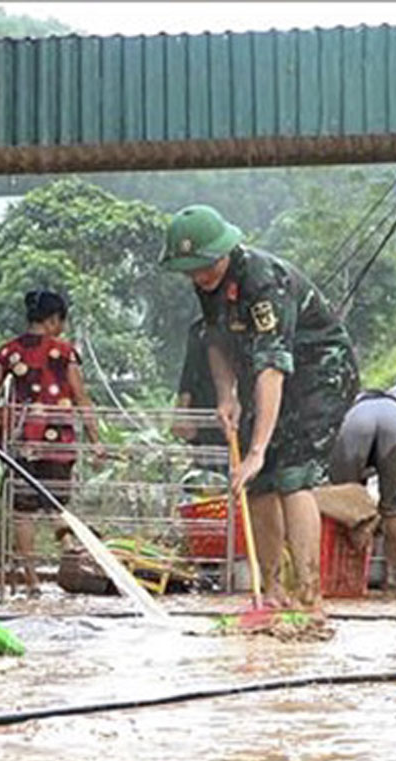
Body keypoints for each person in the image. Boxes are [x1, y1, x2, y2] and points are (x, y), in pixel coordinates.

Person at [160, 204, 359, 608]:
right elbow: (216, 340)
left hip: (319, 373)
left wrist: (256, 450)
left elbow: (273, 367)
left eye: (204, 267)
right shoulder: (207, 283)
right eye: (191, 270)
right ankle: (272, 592)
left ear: (224, 252)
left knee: (292, 474)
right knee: (257, 482)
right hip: (262, 375)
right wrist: (225, 395)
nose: (198, 277)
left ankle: (308, 595)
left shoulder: (263, 282)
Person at [0, 290, 102, 596]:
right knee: (57, 501)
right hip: (58, 440)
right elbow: (81, 397)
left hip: (22, 441)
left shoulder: (9, 352)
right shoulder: (64, 352)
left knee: (23, 511)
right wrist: (96, 440)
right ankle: (69, 548)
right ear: (54, 319)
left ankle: (32, 581)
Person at [329, 391, 396, 586]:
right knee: (394, 506)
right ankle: (392, 575)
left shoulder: (351, 405)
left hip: (356, 420)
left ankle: (349, 574)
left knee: (344, 500)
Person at [171, 317, 224, 448]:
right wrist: (182, 413)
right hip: (205, 416)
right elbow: (188, 375)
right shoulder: (199, 329)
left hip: (242, 418)